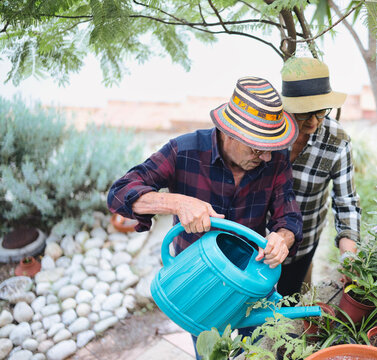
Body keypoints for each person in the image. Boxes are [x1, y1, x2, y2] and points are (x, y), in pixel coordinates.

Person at [107, 76, 303, 359]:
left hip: (251, 276)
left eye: (270, 148)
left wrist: (282, 239)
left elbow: (290, 216)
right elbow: (119, 193)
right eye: (256, 148)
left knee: (260, 347)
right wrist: (177, 202)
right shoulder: (183, 151)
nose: (266, 158)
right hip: (198, 276)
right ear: (229, 133)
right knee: (211, 351)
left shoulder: (276, 159)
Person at [277, 57, 362, 297]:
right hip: (258, 240)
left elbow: (346, 203)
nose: (314, 121)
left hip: (302, 243)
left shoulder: (337, 141)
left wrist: (349, 254)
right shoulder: (267, 131)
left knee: (288, 302)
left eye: (321, 111)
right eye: (304, 113)